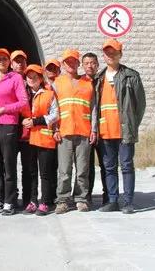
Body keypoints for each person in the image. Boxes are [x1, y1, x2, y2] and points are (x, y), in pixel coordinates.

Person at [94, 39, 146, 214]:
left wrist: (132, 125)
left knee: (126, 166)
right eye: (107, 53)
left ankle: (128, 202)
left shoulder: (131, 76)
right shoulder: (98, 78)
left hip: (124, 131)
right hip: (105, 130)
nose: (110, 55)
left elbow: (140, 105)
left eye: (114, 52)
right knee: (109, 168)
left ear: (120, 54)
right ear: (103, 55)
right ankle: (112, 200)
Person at [0, 48, 29, 215]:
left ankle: (10, 200)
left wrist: (2, 110)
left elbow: (23, 102)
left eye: (4, 59)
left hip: (9, 124)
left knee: (9, 164)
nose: (1, 61)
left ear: (9, 62)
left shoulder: (15, 78)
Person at [54, 49, 96, 214]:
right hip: (64, 131)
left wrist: (94, 130)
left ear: (78, 64)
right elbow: (53, 108)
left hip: (84, 131)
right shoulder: (57, 83)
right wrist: (55, 128)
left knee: (83, 169)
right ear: (63, 65)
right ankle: (63, 200)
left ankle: (81, 199)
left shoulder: (87, 83)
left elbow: (93, 108)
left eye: (74, 61)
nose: (71, 64)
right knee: (64, 170)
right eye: (67, 62)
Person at [21, 64, 59, 216]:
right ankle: (32, 201)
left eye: (35, 77)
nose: (31, 79)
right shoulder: (22, 94)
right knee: (31, 172)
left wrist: (36, 121)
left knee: (45, 173)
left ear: (41, 78)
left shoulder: (49, 94)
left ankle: (45, 202)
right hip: (27, 139)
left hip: (44, 138)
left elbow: (55, 114)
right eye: (29, 76)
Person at [82, 52, 108, 206]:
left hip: (103, 127)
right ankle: (86, 195)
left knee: (106, 164)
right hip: (87, 129)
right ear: (82, 66)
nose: (90, 66)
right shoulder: (80, 82)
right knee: (86, 165)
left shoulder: (103, 81)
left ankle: (108, 196)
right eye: (86, 63)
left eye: (92, 63)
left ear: (97, 65)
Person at [11, 49, 33, 211]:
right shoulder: (6, 81)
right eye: (16, 61)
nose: (20, 64)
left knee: (29, 168)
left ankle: (28, 199)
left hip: (27, 132)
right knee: (9, 167)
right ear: (11, 64)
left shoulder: (31, 81)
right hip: (11, 130)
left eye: (22, 61)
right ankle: (11, 198)